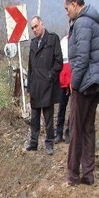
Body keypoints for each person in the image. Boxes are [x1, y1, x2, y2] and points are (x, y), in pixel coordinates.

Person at [64, 0, 99, 186]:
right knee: (89, 128)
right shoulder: (95, 21)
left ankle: (73, 175)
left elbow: (81, 58)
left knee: (76, 129)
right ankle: (88, 174)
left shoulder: (82, 23)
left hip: (84, 84)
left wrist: (73, 84)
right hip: (96, 83)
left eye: (67, 8)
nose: (66, 12)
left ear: (75, 3)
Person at [25, 15, 63, 155]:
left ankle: (49, 144)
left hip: (48, 87)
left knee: (48, 117)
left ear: (42, 24)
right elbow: (30, 67)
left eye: (36, 26)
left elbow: (58, 62)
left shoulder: (53, 39)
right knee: (34, 118)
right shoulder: (33, 43)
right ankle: (33, 143)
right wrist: (29, 85)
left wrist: (50, 77)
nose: (34, 30)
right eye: (32, 28)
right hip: (35, 85)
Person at [55, 30, 72, 143]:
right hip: (63, 79)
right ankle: (59, 133)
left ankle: (69, 132)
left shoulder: (79, 41)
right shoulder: (63, 42)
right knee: (62, 108)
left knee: (73, 108)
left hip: (74, 79)